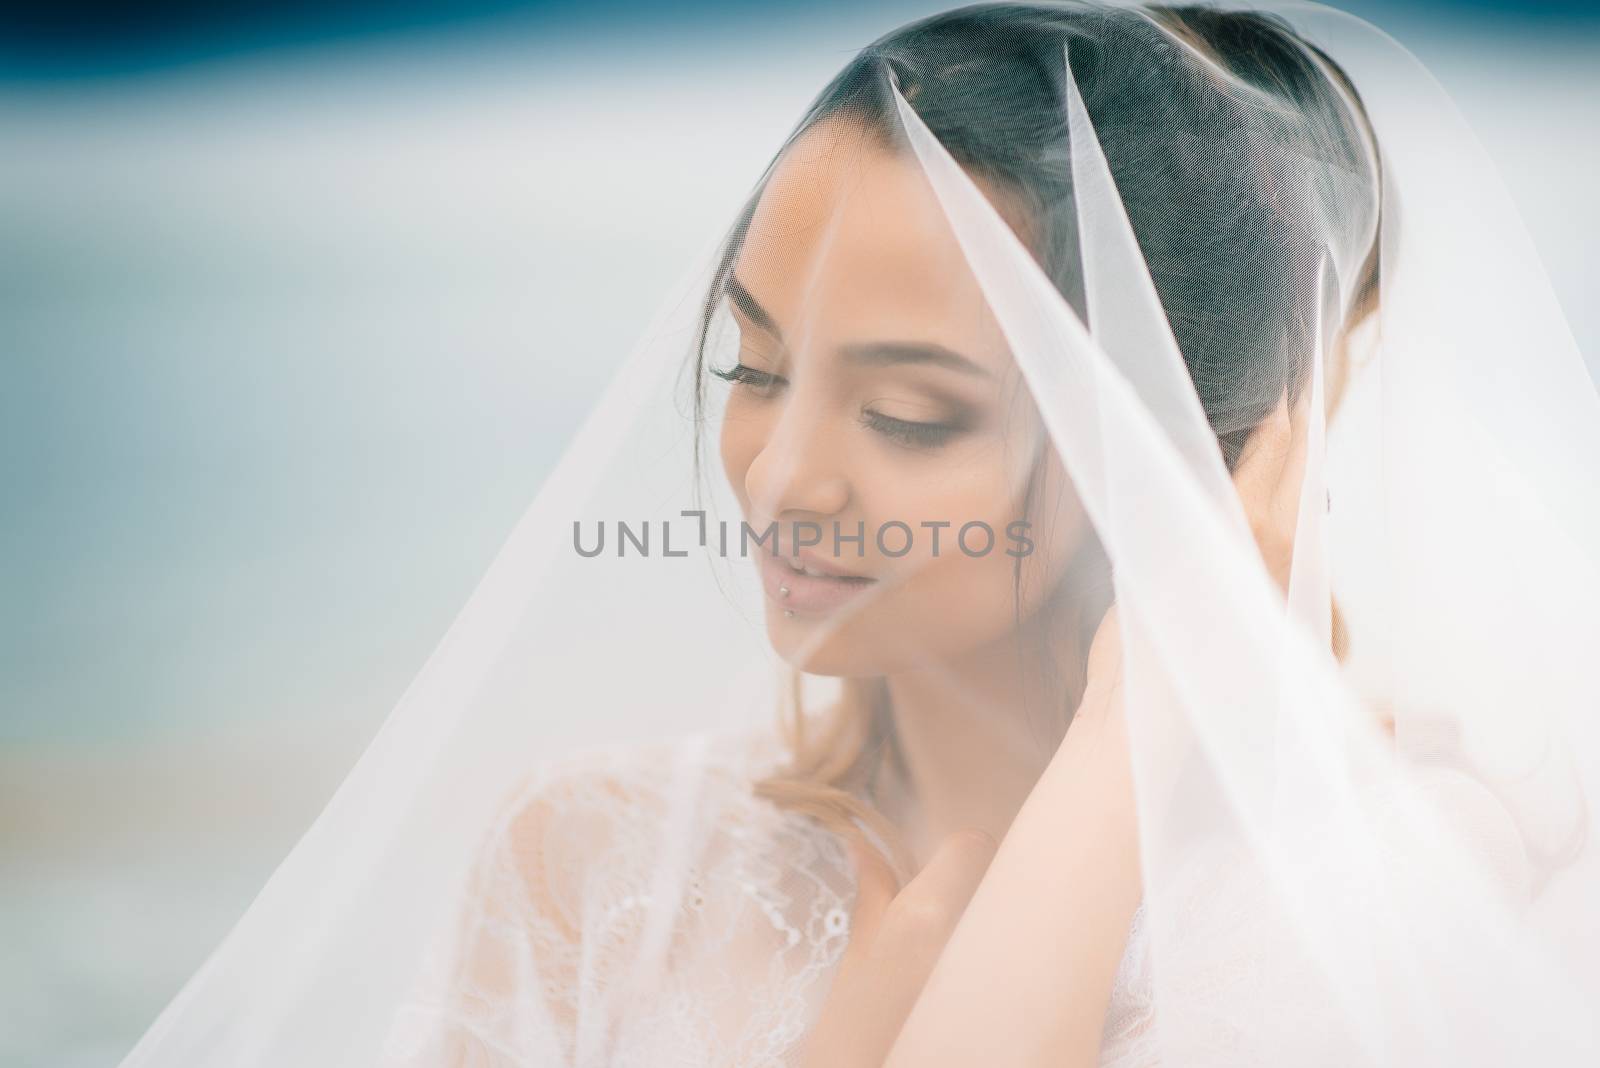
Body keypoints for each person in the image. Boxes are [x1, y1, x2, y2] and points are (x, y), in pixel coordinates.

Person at [121, 4, 1600, 1067]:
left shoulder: (1385, 885)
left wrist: (1120, 754)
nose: (782, 479)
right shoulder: (592, 859)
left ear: (1179, 458)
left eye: (906, 415)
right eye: (754, 372)